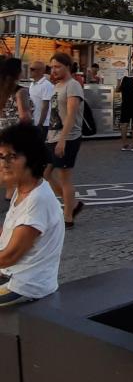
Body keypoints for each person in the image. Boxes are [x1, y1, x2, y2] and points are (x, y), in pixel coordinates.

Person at [0, 122, 64, 307]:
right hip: (11, 274)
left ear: (32, 158)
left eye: (12, 156)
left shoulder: (37, 200)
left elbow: (9, 256)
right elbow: (8, 235)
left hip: (24, 285)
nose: (4, 164)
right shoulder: (23, 190)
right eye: (1, 156)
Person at [44, 52, 85, 229]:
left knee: (64, 177)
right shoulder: (57, 85)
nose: (54, 70)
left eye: (57, 66)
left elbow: (71, 114)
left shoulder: (73, 85)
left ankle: (68, 216)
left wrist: (62, 140)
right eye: (52, 67)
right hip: (53, 136)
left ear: (67, 67)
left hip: (68, 137)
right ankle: (72, 204)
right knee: (45, 174)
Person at [1, 58, 32, 201]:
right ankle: (13, 194)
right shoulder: (21, 91)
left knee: (5, 162)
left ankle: (10, 192)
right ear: (18, 73)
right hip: (14, 133)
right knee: (18, 163)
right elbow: (24, 116)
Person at [28, 62, 52, 143]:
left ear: (41, 71)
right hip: (33, 122)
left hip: (42, 123)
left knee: (39, 148)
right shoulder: (32, 84)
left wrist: (40, 124)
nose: (30, 71)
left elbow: (46, 106)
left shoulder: (47, 85)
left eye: (32, 69)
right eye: (30, 69)